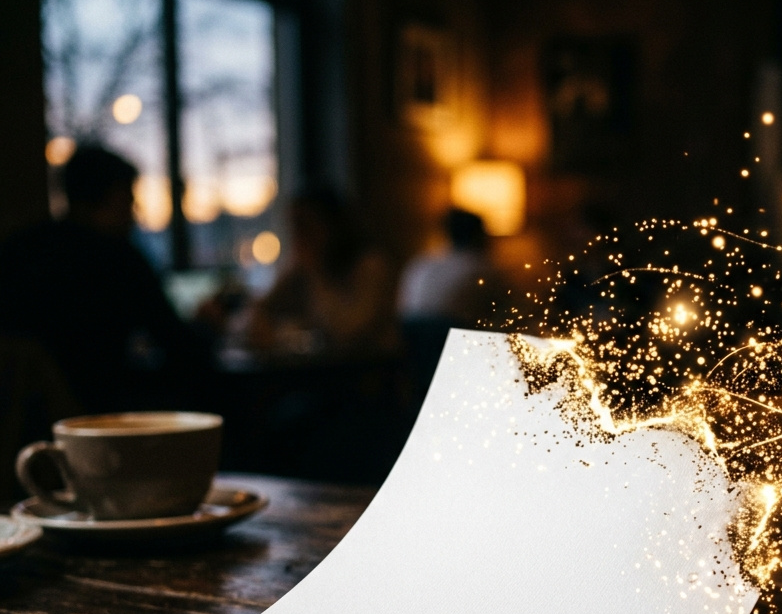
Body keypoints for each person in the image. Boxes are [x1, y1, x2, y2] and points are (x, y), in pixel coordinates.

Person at [0, 144, 213, 412]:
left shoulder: (19, 248)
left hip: (23, 421)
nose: (135, 207)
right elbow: (176, 343)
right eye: (129, 195)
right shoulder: (118, 258)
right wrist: (207, 325)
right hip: (102, 414)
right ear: (113, 197)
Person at [245, 189, 397, 355]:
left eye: (305, 226)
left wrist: (316, 272)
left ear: (331, 225)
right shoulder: (302, 269)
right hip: (321, 372)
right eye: (295, 227)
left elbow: (348, 334)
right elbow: (263, 307)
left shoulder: (370, 266)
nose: (299, 236)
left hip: (370, 371)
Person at [396, 207, 498, 416]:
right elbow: (505, 317)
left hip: (409, 365)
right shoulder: (483, 269)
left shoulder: (420, 264)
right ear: (481, 235)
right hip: (454, 364)